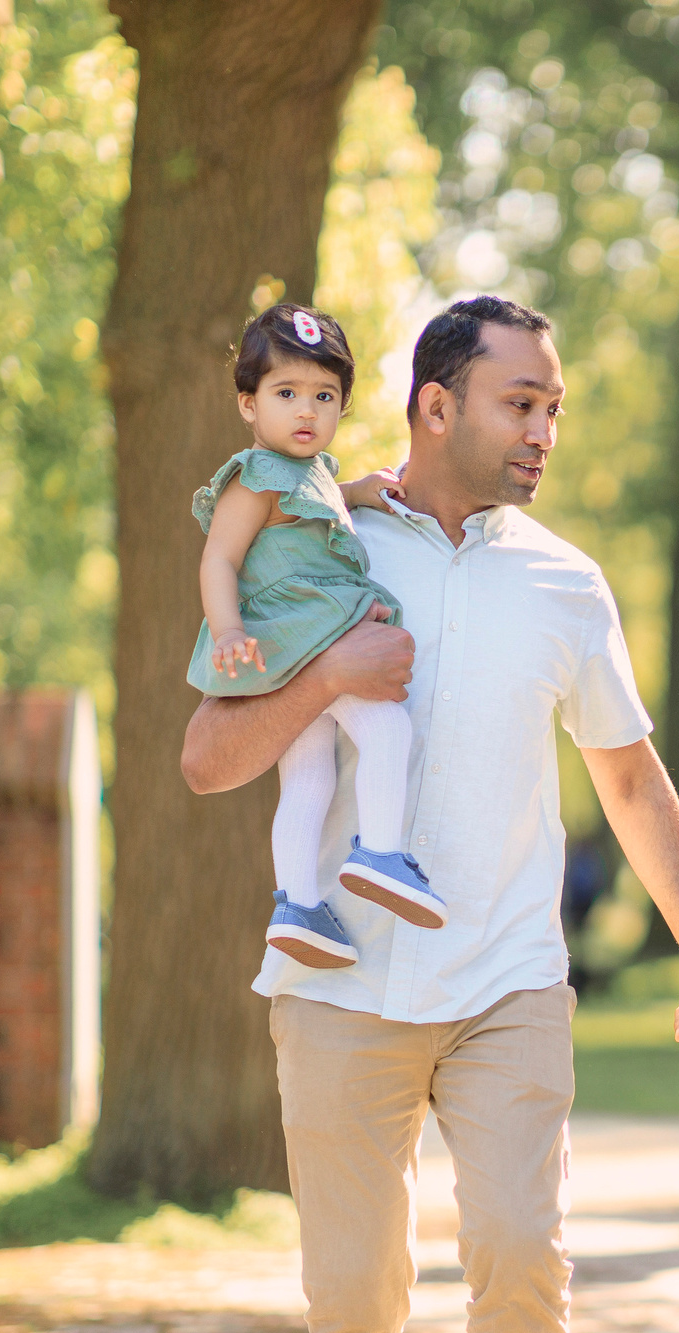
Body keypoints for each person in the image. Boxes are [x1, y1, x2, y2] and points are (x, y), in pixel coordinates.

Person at [179, 295, 679, 1333]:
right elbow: (207, 756)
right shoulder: (318, 529)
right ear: (436, 404)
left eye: (553, 405)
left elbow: (627, 772)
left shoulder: (565, 580)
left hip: (507, 977)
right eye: (522, 403)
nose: (545, 429)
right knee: (353, 1293)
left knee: (522, 1253)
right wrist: (326, 669)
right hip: (338, 989)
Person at [184, 303, 443, 970]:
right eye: (286, 393)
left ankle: (297, 905)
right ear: (248, 404)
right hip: (302, 635)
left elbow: (320, 500)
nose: (307, 410)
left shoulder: (312, 473)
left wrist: (357, 491)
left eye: (324, 395)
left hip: (297, 649)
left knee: (308, 778)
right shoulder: (254, 474)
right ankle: (381, 851)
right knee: (386, 729)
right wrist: (227, 628)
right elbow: (219, 559)